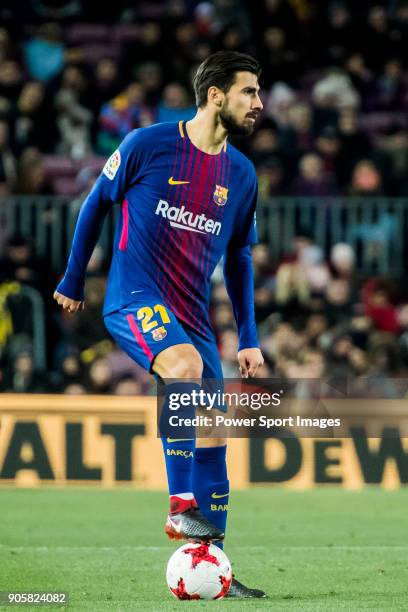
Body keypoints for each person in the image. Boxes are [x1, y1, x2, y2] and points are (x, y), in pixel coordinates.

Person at [54, 51, 266, 598]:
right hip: (134, 296)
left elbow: (240, 259)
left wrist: (248, 339)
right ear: (216, 94)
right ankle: (180, 507)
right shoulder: (147, 145)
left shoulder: (241, 175)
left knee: (216, 434)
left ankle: (213, 563)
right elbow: (96, 203)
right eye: (250, 91)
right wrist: (75, 280)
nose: (259, 103)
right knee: (184, 365)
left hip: (192, 314)